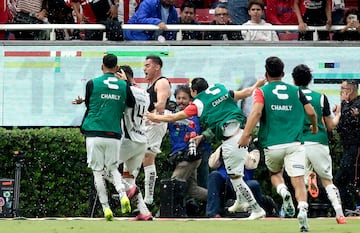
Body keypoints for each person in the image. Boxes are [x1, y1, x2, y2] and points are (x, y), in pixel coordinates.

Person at [147, 77, 267, 220]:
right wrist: (258, 84)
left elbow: (175, 117)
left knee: (236, 178)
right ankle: (240, 201)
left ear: (194, 91)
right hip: (237, 133)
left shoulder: (198, 104)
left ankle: (256, 208)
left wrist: (154, 117)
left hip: (231, 140)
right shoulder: (221, 90)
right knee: (235, 175)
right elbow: (246, 92)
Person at [238, 56, 318, 232]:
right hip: (295, 144)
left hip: (272, 145)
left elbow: (257, 112)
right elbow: (311, 112)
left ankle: (282, 192)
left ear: (266, 74)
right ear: (283, 73)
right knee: (298, 181)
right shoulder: (296, 91)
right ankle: (303, 208)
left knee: (275, 173)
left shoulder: (262, 91)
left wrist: (246, 134)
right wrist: (313, 126)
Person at [80, 54, 135, 221]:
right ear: (117, 68)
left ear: (102, 66)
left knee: (97, 172)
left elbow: (89, 104)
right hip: (113, 133)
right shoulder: (123, 85)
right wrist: (125, 83)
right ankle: (123, 195)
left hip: (94, 131)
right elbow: (131, 104)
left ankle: (106, 208)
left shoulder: (92, 83)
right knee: (112, 168)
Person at [292, 64, 346, 224]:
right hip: (318, 142)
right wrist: (339, 114)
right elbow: (330, 126)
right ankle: (339, 214)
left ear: (294, 80)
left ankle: (303, 210)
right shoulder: (320, 97)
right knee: (328, 180)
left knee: (299, 181)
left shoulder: (291, 96)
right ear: (310, 80)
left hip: (298, 144)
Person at [115, 65, 155, 221]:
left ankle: (130, 188)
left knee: (104, 168)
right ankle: (144, 212)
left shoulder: (125, 91)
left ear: (122, 76)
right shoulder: (144, 92)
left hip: (128, 139)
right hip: (142, 141)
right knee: (129, 176)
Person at [206, 146, 278, 218]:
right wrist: (223, 147)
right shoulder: (225, 147)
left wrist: (240, 148)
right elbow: (212, 164)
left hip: (243, 183)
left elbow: (251, 165)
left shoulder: (253, 151)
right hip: (226, 184)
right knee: (214, 175)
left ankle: (258, 211)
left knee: (254, 184)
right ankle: (213, 213)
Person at [167, 85, 208, 203]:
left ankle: (164, 212)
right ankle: (220, 200)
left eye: (184, 98)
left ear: (190, 100)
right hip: (180, 156)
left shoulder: (193, 116)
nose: (181, 101)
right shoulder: (173, 115)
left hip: (188, 157)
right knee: (193, 190)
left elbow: (193, 135)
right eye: (178, 98)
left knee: (173, 184)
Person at [142, 55, 172, 205]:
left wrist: (151, 115)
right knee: (140, 156)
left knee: (148, 157)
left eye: (147, 65)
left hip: (157, 121)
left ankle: (149, 198)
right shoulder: (150, 83)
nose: (144, 69)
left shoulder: (162, 82)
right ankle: (131, 190)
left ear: (157, 67)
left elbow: (161, 105)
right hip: (150, 121)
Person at [334, 79, 360, 214]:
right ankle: (350, 208)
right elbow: (340, 128)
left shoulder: (358, 104)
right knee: (343, 181)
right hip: (347, 148)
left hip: (356, 148)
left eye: (342, 89)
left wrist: (343, 113)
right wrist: (337, 114)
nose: (340, 92)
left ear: (349, 90)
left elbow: (352, 122)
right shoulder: (344, 105)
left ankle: (351, 207)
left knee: (344, 180)